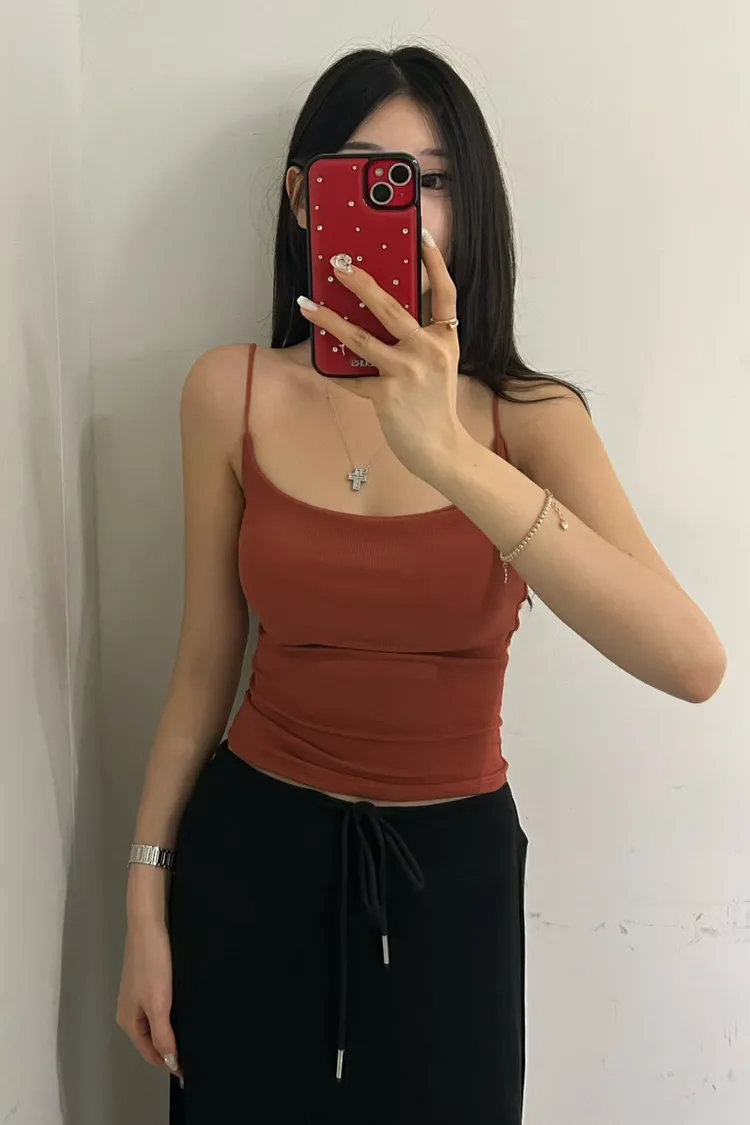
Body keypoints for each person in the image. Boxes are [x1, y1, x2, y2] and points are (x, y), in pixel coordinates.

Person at [116, 44, 726, 1125]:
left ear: (468, 206)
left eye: (429, 179)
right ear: (305, 199)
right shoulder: (229, 392)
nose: (406, 207)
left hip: (452, 873)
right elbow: (204, 665)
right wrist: (144, 899)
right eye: (365, 174)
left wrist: (446, 452)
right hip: (251, 855)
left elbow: (691, 662)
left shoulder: (532, 420)